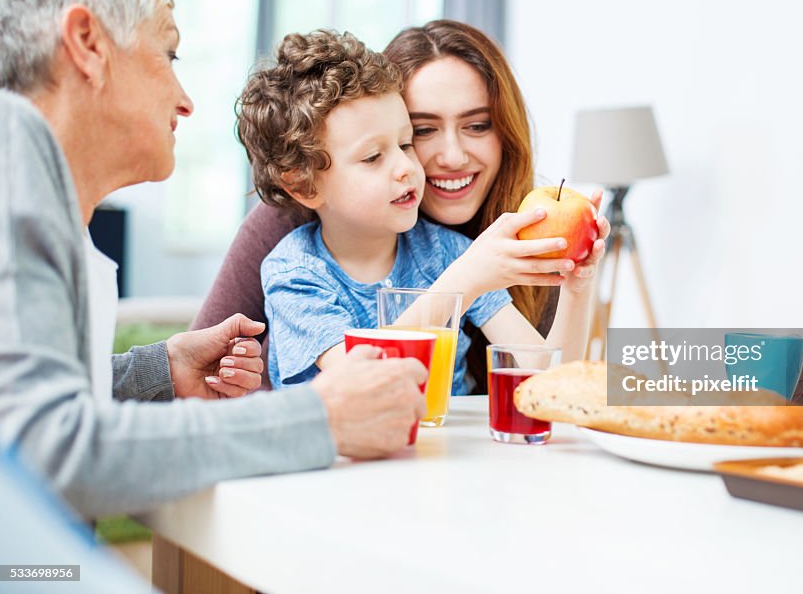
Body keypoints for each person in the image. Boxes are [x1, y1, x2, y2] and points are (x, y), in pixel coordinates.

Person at [0, 0, 426, 519]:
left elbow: (17, 410)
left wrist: (158, 369)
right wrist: (320, 418)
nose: (185, 99)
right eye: (167, 55)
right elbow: (44, 453)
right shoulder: (7, 143)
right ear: (88, 44)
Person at [194, 20, 568, 390]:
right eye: (423, 130)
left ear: (506, 131)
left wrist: (578, 286)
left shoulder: (528, 226)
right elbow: (196, 378)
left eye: (477, 125)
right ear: (303, 185)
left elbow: (575, 380)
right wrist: (462, 282)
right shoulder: (290, 240)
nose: (411, 166)